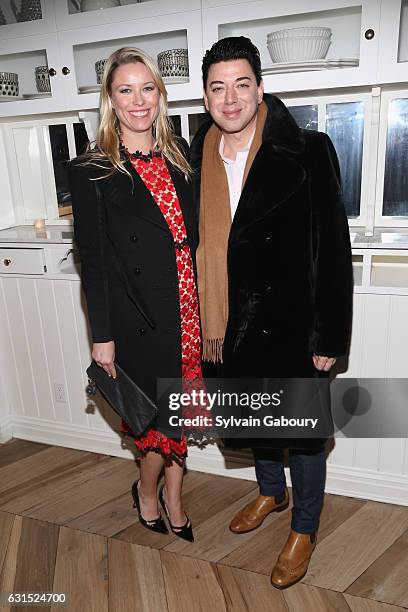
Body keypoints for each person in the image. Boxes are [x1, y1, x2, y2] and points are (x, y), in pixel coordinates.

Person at [190, 37, 353, 588]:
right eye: (217, 87)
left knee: (302, 432)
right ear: (206, 96)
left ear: (260, 88)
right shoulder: (195, 159)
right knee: (255, 416)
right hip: (228, 324)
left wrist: (330, 333)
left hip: (292, 323)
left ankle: (305, 525)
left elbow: (332, 247)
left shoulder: (308, 149)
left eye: (241, 84)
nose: (230, 98)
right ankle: (269, 493)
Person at [68, 46, 203, 543]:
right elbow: (95, 262)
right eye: (125, 90)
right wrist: (101, 336)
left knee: (180, 413)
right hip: (139, 316)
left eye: (147, 88)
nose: (138, 100)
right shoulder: (92, 170)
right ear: (111, 100)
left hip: (189, 311)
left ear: (160, 95)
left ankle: (174, 496)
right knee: (157, 421)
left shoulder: (181, 156)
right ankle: (149, 494)